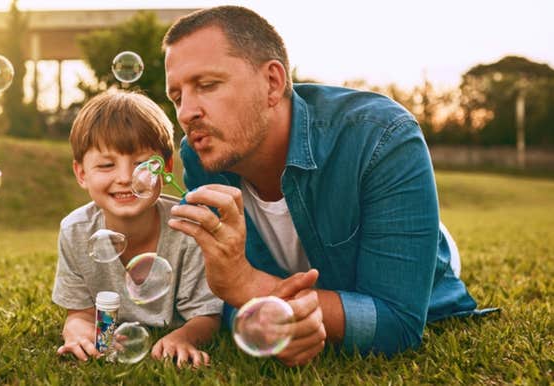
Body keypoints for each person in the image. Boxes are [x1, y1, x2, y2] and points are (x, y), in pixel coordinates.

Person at [162, 6, 485, 366]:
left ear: (271, 82)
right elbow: (226, 298)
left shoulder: (380, 136)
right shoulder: (200, 156)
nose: (186, 112)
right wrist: (269, 322)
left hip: (401, 238)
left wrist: (248, 287)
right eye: (176, 97)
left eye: (206, 85)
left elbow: (399, 323)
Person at [52, 90, 223, 368]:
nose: (124, 178)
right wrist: (78, 330)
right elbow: (79, 313)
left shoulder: (188, 228)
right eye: (107, 165)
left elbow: (207, 317)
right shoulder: (76, 231)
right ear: (82, 173)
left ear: (166, 167)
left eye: (142, 164)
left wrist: (185, 336)